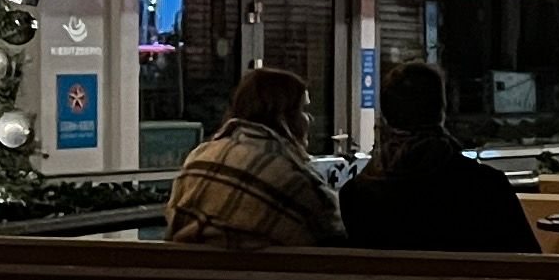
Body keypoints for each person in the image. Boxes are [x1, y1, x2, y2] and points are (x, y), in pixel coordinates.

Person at [343, 60, 539, 252]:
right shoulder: (485, 186)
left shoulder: (355, 195)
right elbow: (527, 260)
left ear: (387, 116)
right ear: (441, 113)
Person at [163, 65, 340, 248]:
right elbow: (332, 237)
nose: (309, 119)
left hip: (189, 273)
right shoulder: (295, 180)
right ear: (283, 117)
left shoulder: (198, 159)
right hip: (268, 275)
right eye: (303, 109)